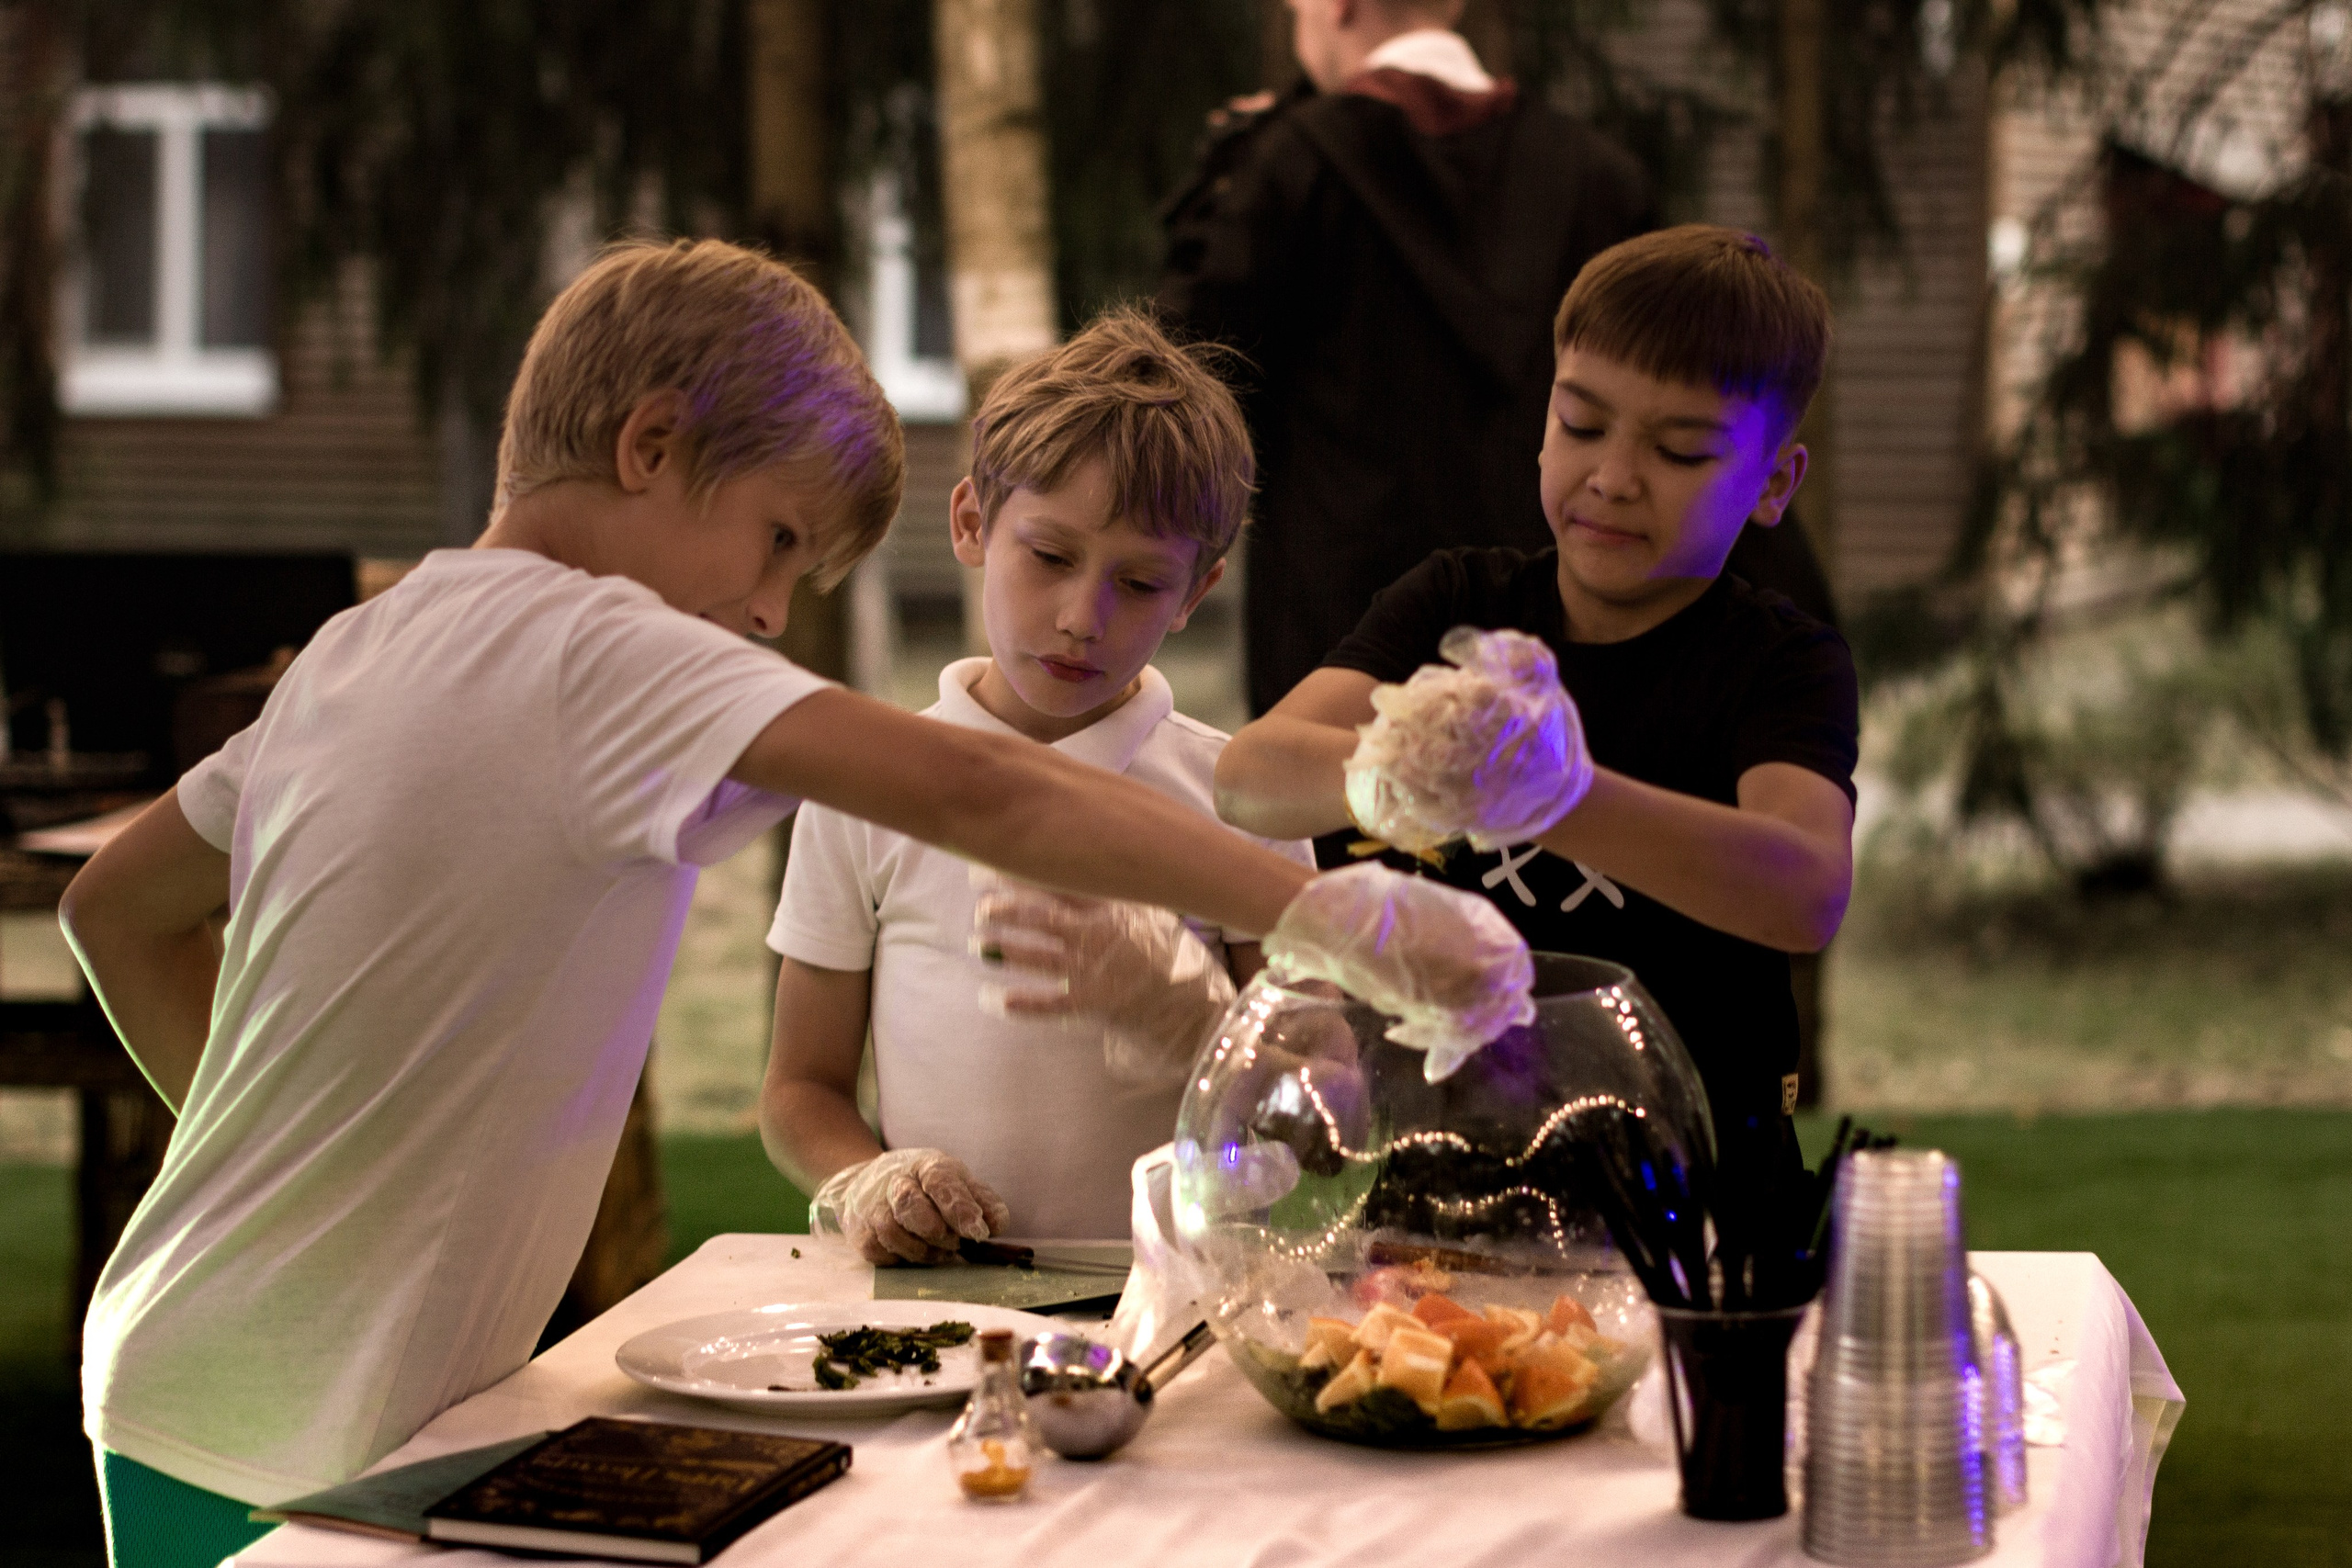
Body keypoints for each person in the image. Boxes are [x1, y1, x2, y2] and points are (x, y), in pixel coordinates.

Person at [58, 239, 1529, 1563]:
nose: (770, 613)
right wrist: (1346, 918)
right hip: (302, 1404)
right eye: (775, 540)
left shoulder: (362, 643)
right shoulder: (601, 646)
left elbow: (115, 908)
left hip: (202, 1346)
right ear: (651, 448)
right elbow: (983, 791)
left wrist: (277, 1155)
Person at [1213, 225, 1860, 1199]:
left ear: (1772, 483)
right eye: (1582, 424)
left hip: (1693, 1216)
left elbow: (1805, 889)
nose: (1611, 477)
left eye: (1680, 450)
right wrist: (1402, 766)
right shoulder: (1452, 605)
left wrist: (1554, 797)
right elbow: (1248, 778)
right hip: (1424, 1197)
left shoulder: (1778, 663)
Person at [760, 312, 1315, 1258]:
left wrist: (1199, 1020)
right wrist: (870, 1181)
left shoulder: (1238, 802)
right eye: (1050, 557)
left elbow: (1315, 1120)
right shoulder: (866, 788)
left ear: (1197, 591)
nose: (1079, 618)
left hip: (1177, 1302)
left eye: (1139, 584)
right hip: (937, 1301)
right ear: (973, 521)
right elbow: (799, 1089)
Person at [1158, 0, 1657, 716]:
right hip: (1546, 617)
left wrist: (1226, 178)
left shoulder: (1290, 164)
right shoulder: (1598, 178)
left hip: (1336, 637)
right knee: (1530, 816)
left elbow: (1190, 372)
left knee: (1333, 823)